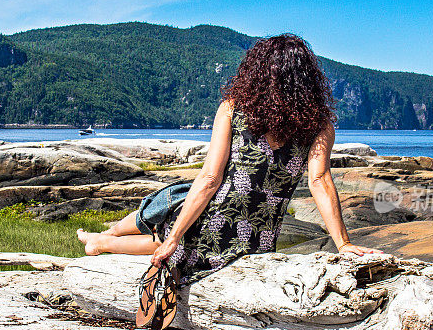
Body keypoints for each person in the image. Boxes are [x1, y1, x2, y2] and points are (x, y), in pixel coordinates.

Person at [77, 34, 381, 287]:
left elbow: (210, 178)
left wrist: (174, 239)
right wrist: (343, 244)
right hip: (258, 241)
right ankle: (105, 236)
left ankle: (104, 239)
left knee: (170, 219)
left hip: (214, 222)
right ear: (307, 80)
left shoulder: (233, 109)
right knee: (174, 201)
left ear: (258, 72)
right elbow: (320, 181)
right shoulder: (319, 126)